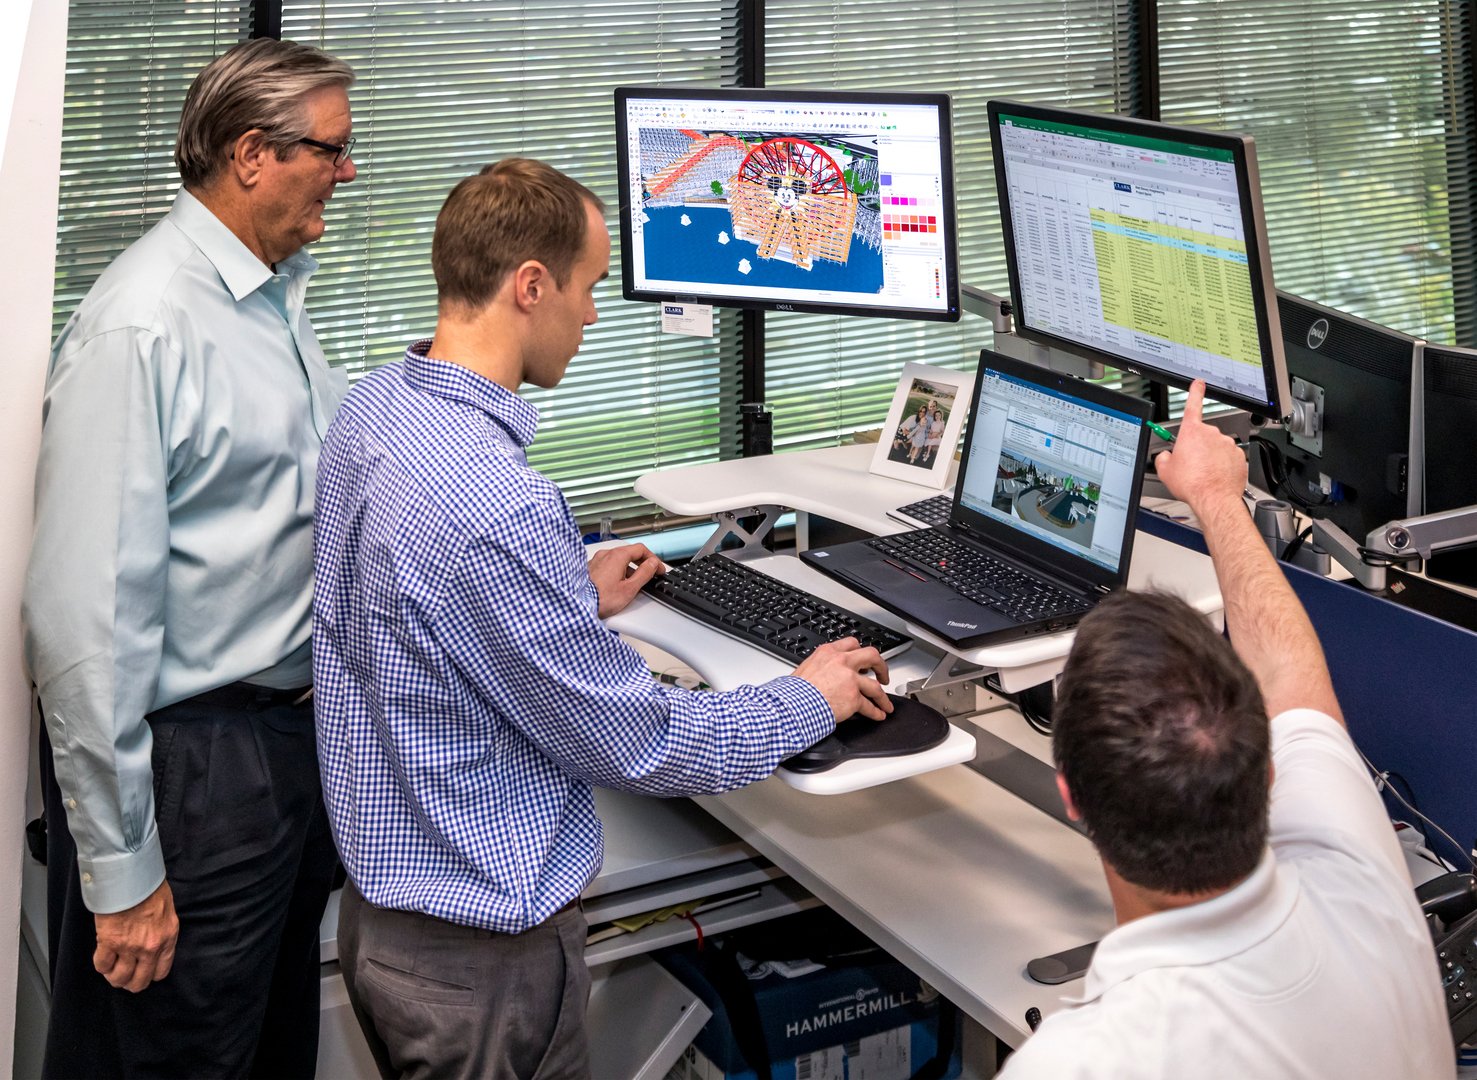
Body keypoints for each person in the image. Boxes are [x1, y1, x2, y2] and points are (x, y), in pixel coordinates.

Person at [312, 157, 894, 1079]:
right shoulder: (496, 505)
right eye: (585, 289)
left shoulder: (376, 407)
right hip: (482, 965)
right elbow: (636, 741)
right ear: (530, 286)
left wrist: (565, 592)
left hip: (385, 922)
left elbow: (406, 610)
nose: (590, 316)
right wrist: (807, 697)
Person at [22, 38, 357, 1078]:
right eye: (332, 152)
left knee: (259, 1051)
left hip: (280, 749)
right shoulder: (143, 327)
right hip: (198, 768)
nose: (348, 174)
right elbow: (83, 621)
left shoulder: (269, 297)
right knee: (173, 1057)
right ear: (252, 154)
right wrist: (123, 872)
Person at [999, 382, 1451, 1078]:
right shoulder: (1359, 873)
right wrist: (1214, 496)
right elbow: (1290, 673)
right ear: (1268, 772)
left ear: (1073, 799)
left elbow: (1285, 681)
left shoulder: (1085, 1062)